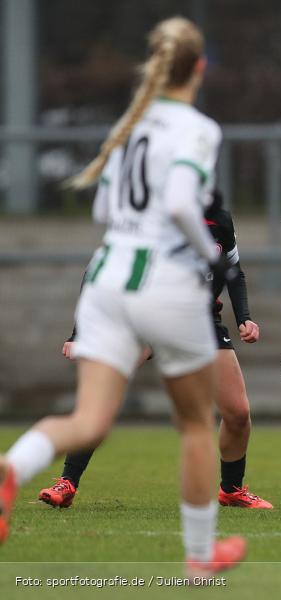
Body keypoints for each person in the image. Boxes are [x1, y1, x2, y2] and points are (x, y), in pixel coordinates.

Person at [0, 17, 246, 574]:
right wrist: (208, 260)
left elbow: (103, 213)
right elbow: (184, 204)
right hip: (163, 284)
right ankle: (201, 556)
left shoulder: (131, 125)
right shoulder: (198, 128)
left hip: (107, 280)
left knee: (89, 419)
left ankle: (12, 467)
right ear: (200, 69)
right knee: (193, 426)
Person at [41, 198, 272, 511]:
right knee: (101, 403)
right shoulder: (148, 215)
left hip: (200, 320)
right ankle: (66, 483)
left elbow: (233, 272)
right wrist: (78, 333)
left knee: (237, 413)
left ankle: (231, 489)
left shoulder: (219, 218)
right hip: (147, 316)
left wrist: (244, 316)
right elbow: (98, 270)